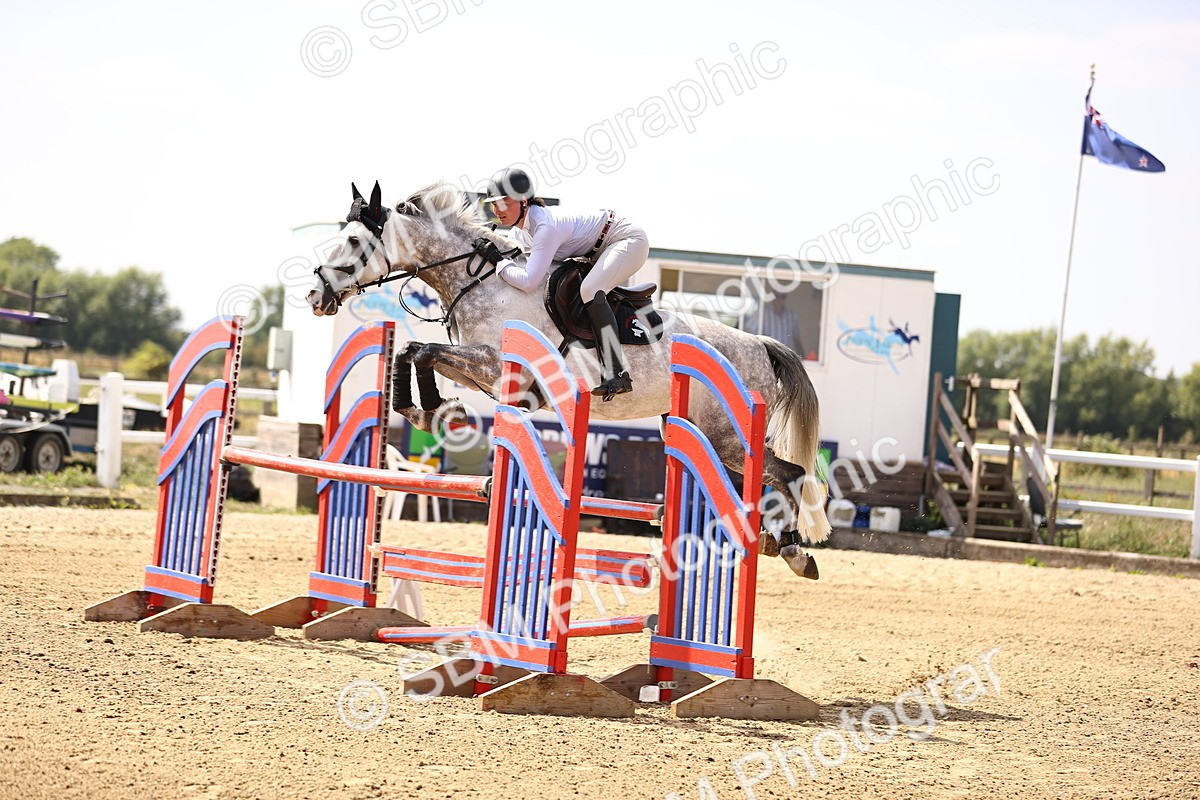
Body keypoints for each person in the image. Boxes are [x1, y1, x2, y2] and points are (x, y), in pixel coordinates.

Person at [484, 167, 649, 400]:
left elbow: (529, 281)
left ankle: (616, 372)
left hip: (626, 239)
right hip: (598, 249)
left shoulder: (544, 227)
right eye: (493, 204)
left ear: (523, 201)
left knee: (590, 290)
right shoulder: (519, 233)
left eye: (503, 202)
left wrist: (499, 264)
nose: (497, 210)